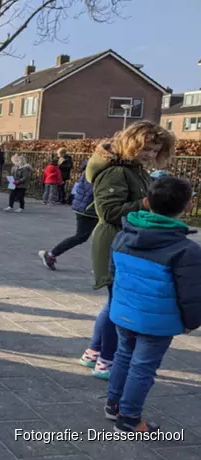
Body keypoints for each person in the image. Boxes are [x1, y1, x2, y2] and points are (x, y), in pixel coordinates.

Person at [104, 176, 201, 433]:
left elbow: (113, 273)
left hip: (123, 312)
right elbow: (192, 294)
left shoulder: (124, 235)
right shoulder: (186, 250)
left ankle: (113, 405)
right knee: (143, 367)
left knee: (123, 356)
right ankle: (130, 419)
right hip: (157, 321)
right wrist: (192, 322)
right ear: (189, 205)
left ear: (146, 202)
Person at [80, 121, 174, 380]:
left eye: (155, 151)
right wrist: (147, 202)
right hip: (114, 242)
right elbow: (109, 212)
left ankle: (94, 352)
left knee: (113, 303)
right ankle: (107, 361)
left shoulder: (133, 169)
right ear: (131, 144)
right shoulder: (116, 172)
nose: (150, 155)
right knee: (119, 306)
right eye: (146, 148)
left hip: (123, 241)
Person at [39, 160, 98, 269]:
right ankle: (51, 254)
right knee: (81, 236)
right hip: (88, 209)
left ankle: (104, 267)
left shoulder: (94, 169)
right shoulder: (93, 170)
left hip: (90, 208)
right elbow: (93, 190)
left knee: (99, 237)